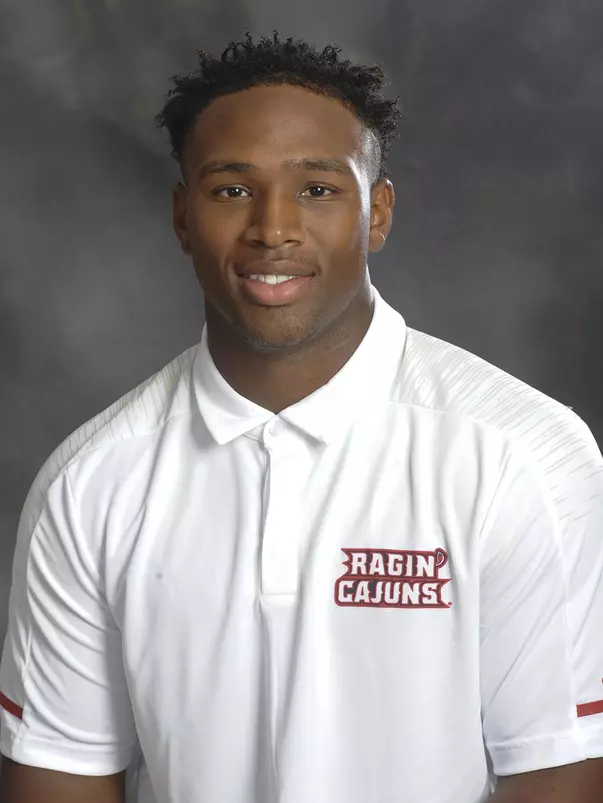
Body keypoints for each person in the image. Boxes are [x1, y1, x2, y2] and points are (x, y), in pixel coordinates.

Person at [0, 30, 602, 803]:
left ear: (376, 212)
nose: (273, 228)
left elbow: (560, 774)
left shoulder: (523, 456)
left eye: (317, 188)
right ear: (183, 217)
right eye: (231, 189)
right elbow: (59, 778)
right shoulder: (90, 483)